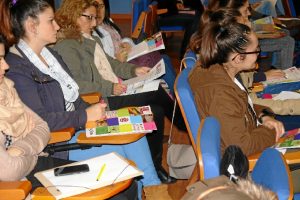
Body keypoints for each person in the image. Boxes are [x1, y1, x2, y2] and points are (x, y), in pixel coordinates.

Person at [1, 0, 171, 199]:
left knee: (136, 128)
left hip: (77, 125)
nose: (57, 26)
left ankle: (153, 190)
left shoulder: (51, 56)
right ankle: (152, 190)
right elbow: (44, 120)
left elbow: (73, 96)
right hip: (60, 141)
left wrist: (95, 110)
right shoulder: (18, 69)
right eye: (51, 21)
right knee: (126, 158)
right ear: (32, 26)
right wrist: (85, 115)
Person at [54, 0, 185, 184]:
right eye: (89, 18)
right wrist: (110, 87)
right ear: (73, 15)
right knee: (156, 91)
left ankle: (156, 167)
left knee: (155, 109)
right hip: (97, 101)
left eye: (94, 17)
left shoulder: (90, 39)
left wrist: (133, 71)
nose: (94, 23)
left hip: (110, 92)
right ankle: (185, 123)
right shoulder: (68, 45)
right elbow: (76, 85)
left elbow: (111, 63)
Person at [188, 21, 285, 156]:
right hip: (241, 159)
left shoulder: (216, 70)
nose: (258, 54)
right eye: (256, 49)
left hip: (248, 131)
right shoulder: (221, 93)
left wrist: (263, 116)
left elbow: (239, 108)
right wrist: (270, 130)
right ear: (239, 58)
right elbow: (242, 147)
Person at [93, 0, 176, 94]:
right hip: (120, 69)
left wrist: (126, 43)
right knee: (160, 61)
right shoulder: (93, 33)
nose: (98, 11)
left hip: (127, 58)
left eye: (101, 6)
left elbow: (119, 39)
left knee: (165, 58)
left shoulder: (107, 23)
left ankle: (175, 95)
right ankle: (176, 96)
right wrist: (117, 58)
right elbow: (103, 64)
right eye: (95, 6)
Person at [208, 0, 295, 70]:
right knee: (288, 41)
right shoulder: (233, 23)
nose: (249, 13)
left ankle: (277, 65)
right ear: (234, 12)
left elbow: (250, 28)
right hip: (247, 46)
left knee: (285, 32)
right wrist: (268, 35)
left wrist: (270, 27)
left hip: (247, 42)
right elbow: (246, 40)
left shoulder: (236, 18)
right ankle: (287, 72)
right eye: (246, 10)